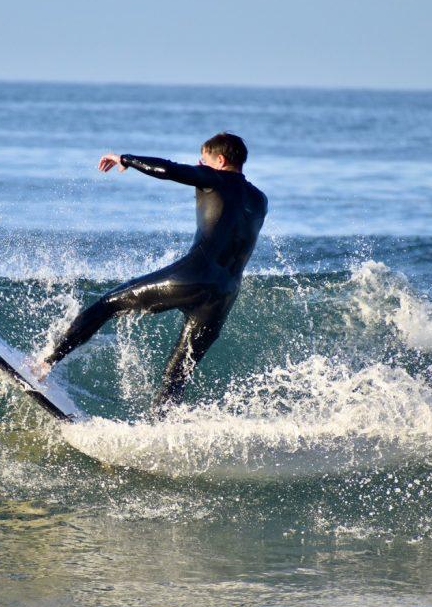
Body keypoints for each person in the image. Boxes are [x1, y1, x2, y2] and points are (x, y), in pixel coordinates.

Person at [35, 132, 268, 415]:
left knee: (107, 305)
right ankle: (158, 433)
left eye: (203, 161)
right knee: (177, 378)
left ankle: (43, 366)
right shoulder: (260, 199)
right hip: (224, 295)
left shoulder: (215, 179)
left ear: (220, 160)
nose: (198, 165)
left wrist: (125, 159)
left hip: (194, 275)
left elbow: (169, 169)